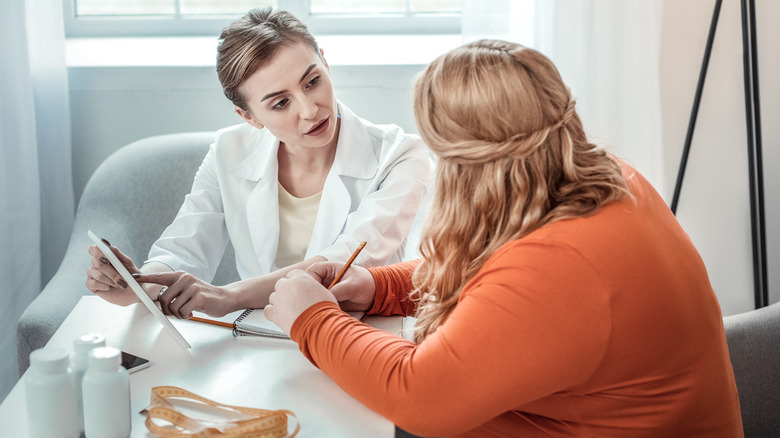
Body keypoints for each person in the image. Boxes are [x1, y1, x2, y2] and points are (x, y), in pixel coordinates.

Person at [264, 39, 744, 437]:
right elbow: (493, 275)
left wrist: (312, 319)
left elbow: (419, 394)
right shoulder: (606, 178)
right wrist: (378, 286)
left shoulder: (562, 263)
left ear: (469, 163)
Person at [86, 8, 430, 319]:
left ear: (325, 62)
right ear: (249, 116)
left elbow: (339, 265)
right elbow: (185, 247)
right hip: (255, 337)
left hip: (359, 336)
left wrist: (228, 296)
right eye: (281, 103)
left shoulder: (400, 156)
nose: (310, 110)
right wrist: (141, 284)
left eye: (313, 81)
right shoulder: (228, 152)